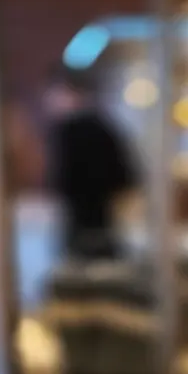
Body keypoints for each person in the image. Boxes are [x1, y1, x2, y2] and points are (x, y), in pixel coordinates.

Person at [42, 67, 137, 258]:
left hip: (80, 220)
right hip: (103, 219)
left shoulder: (69, 131)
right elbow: (125, 176)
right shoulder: (105, 126)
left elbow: (62, 179)